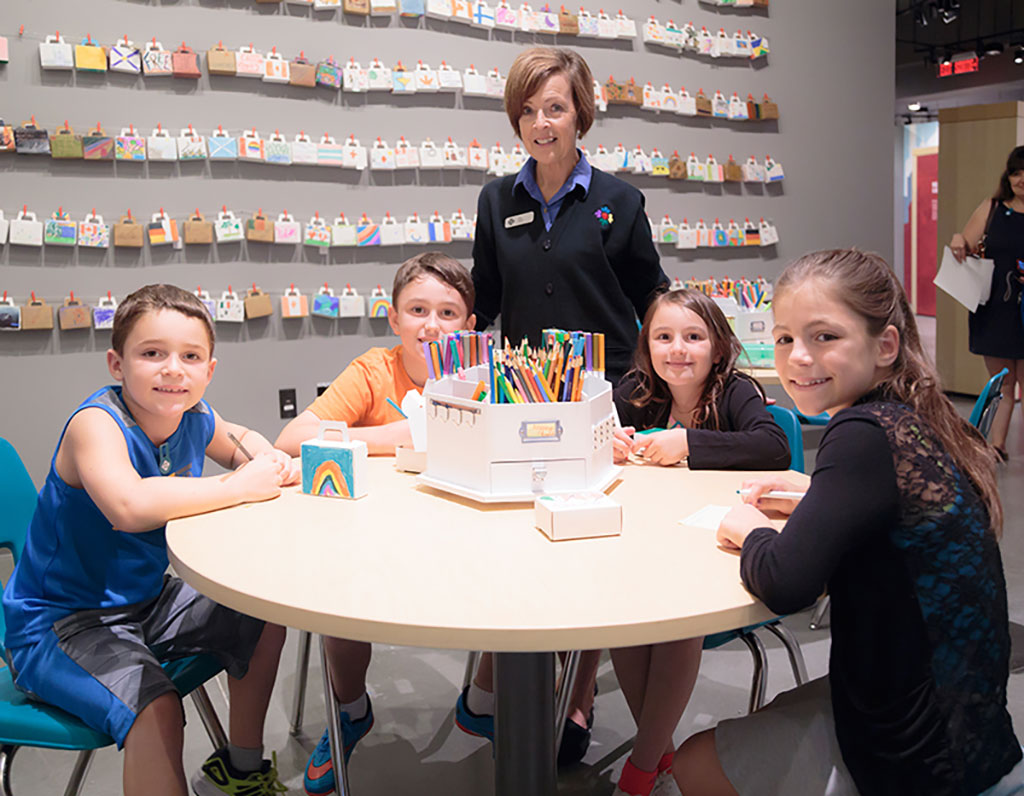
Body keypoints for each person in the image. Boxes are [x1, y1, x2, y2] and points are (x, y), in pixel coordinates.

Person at [674, 249, 1023, 796]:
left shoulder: (859, 433)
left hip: (918, 747)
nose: (798, 358)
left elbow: (788, 583)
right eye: (785, 337)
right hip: (971, 721)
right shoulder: (913, 417)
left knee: (693, 763)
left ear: (885, 346)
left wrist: (747, 528)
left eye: (825, 337)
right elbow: (897, 514)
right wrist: (817, 493)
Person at [1, 284, 298, 796]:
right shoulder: (96, 425)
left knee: (263, 612)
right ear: (117, 365)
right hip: (58, 624)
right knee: (156, 706)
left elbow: (239, 440)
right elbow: (130, 507)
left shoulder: (195, 417)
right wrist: (235, 486)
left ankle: (241, 770)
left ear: (209, 370)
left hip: (143, 602)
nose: (172, 369)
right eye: (152, 354)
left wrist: (269, 458)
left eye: (190, 356)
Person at [467, 45, 668, 764]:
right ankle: (525, 676)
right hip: (530, 399)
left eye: (554, 107)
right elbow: (483, 301)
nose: (540, 122)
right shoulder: (498, 200)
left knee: (589, 550)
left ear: (581, 113)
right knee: (534, 545)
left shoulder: (621, 200)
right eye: (527, 109)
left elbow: (652, 296)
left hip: (611, 402)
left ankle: (578, 694)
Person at [275, 252, 475, 796]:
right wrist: (402, 437)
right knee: (339, 591)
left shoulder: (485, 378)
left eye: (448, 313)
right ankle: (350, 708)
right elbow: (290, 440)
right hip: (375, 540)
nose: (431, 325)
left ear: (470, 325)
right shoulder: (373, 370)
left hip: (465, 537)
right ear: (394, 318)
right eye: (417, 310)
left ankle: (482, 700)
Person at [605, 288, 788, 796]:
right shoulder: (638, 389)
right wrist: (612, 441)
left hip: (719, 549)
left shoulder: (735, 391)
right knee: (627, 616)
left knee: (676, 622)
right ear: (646, 346)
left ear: (718, 348)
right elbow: (600, 436)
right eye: (663, 337)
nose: (677, 349)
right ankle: (658, 753)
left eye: (693, 337)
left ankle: (640, 773)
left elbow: (773, 446)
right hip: (649, 542)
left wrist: (687, 442)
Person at [949, 145, 1024, 461]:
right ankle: (997, 446)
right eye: (1016, 172)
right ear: (1008, 176)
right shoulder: (992, 208)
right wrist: (956, 240)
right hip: (996, 307)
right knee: (1004, 386)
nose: (1021, 179)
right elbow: (963, 242)